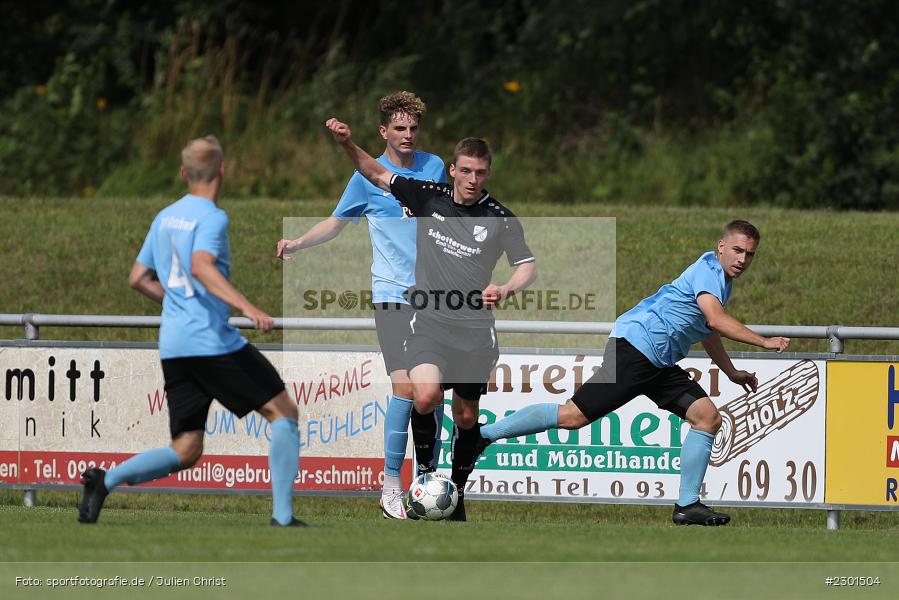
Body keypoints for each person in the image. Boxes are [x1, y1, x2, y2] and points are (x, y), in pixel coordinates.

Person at [470, 220, 790, 526]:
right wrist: (763, 341)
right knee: (572, 416)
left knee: (707, 417)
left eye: (750, 254)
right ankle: (482, 436)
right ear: (721, 247)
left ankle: (688, 505)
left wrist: (731, 371)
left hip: (659, 362)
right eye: (737, 250)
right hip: (635, 350)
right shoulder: (709, 270)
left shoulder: (721, 279)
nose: (743, 259)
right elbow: (717, 320)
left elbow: (708, 329)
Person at [78, 135, 305, 527]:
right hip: (210, 341)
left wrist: (176, 304)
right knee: (283, 412)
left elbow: (138, 278)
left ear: (184, 173)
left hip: (175, 345)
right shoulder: (212, 216)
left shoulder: (165, 216)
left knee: (186, 448)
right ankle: (283, 518)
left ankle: (104, 480)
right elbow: (201, 266)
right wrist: (247, 306)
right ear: (222, 171)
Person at [325, 117, 538, 521]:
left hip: (475, 334)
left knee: (466, 416)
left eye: (481, 172)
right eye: (466, 170)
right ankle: (425, 477)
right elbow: (375, 171)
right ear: (452, 170)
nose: (473, 179)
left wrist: (506, 288)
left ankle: (456, 491)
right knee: (422, 396)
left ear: (487, 173)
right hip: (431, 325)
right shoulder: (427, 196)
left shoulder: (500, 218)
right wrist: (347, 144)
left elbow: (527, 265)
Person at [277, 92, 447, 520]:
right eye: (399, 128)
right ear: (383, 131)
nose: (408, 136)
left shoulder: (435, 167)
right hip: (392, 296)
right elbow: (336, 223)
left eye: (413, 128)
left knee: (431, 396)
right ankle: (391, 484)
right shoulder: (365, 177)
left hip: (433, 298)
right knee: (405, 388)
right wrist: (297, 241)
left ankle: (426, 478)